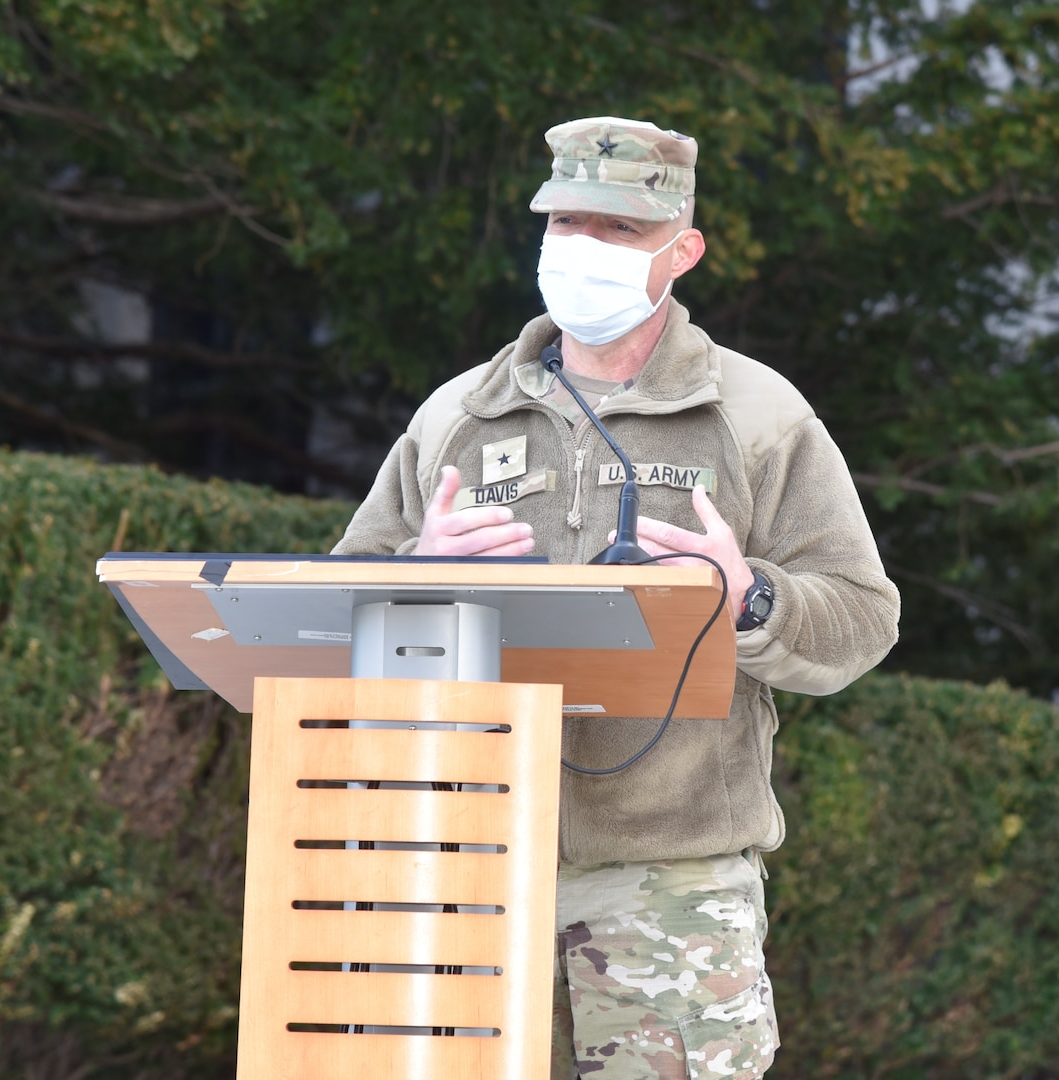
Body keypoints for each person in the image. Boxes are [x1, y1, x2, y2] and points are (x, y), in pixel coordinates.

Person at [332, 115, 900, 1080]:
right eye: (565, 224)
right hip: (458, 868)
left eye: (618, 231)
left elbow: (860, 615)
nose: (581, 249)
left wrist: (747, 599)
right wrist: (412, 570)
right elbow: (329, 611)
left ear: (682, 251)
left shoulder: (756, 415)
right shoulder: (457, 413)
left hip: (667, 882)